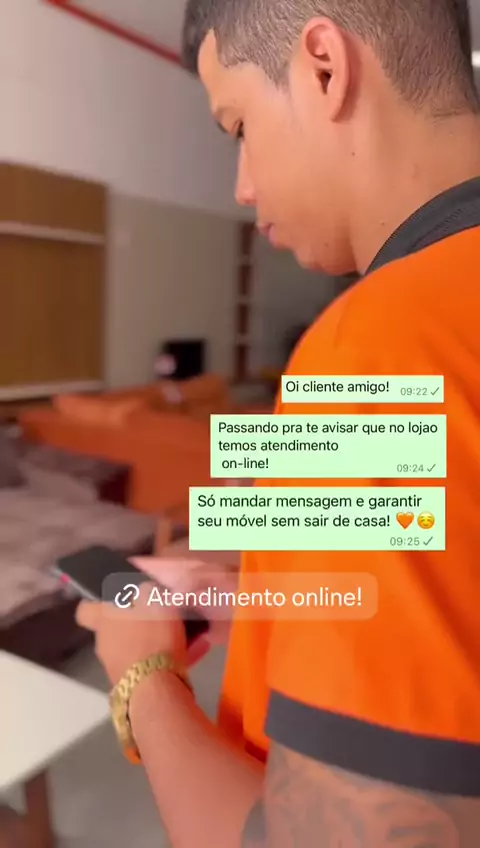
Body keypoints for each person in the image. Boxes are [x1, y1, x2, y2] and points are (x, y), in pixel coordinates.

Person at [77, 0, 480, 844]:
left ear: (325, 67)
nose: (242, 187)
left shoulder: (369, 352)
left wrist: (144, 676)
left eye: (238, 127)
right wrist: (272, 594)